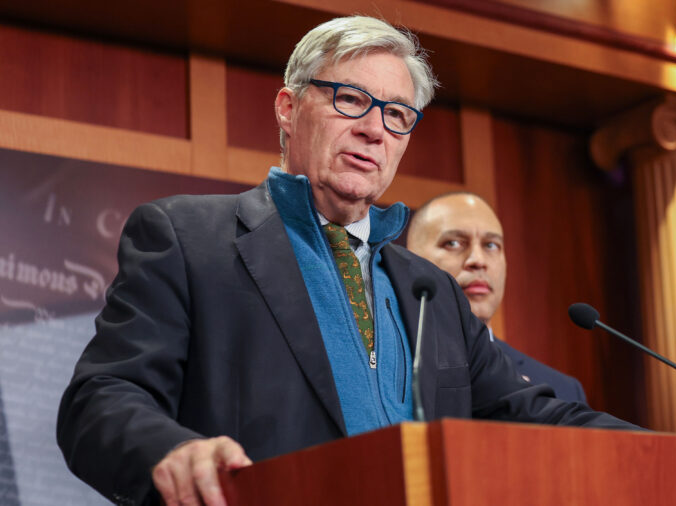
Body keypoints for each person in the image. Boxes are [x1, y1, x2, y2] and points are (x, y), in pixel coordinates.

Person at [56, 16, 639, 506]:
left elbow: (532, 414)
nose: (373, 131)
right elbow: (99, 400)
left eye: (397, 115)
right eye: (351, 99)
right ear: (288, 108)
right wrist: (173, 452)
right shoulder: (186, 238)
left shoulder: (431, 291)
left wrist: (670, 449)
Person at [406, 192, 588, 403]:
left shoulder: (561, 390)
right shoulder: (384, 372)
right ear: (411, 260)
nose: (478, 260)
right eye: (453, 243)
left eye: (491, 245)